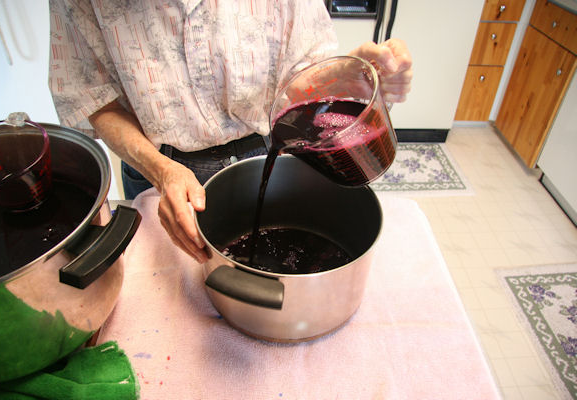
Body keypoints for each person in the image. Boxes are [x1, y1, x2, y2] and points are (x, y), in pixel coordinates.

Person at [48, 0, 412, 263]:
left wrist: (346, 75)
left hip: (270, 149)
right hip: (159, 168)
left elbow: (297, 78)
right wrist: (161, 172)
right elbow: (95, 99)